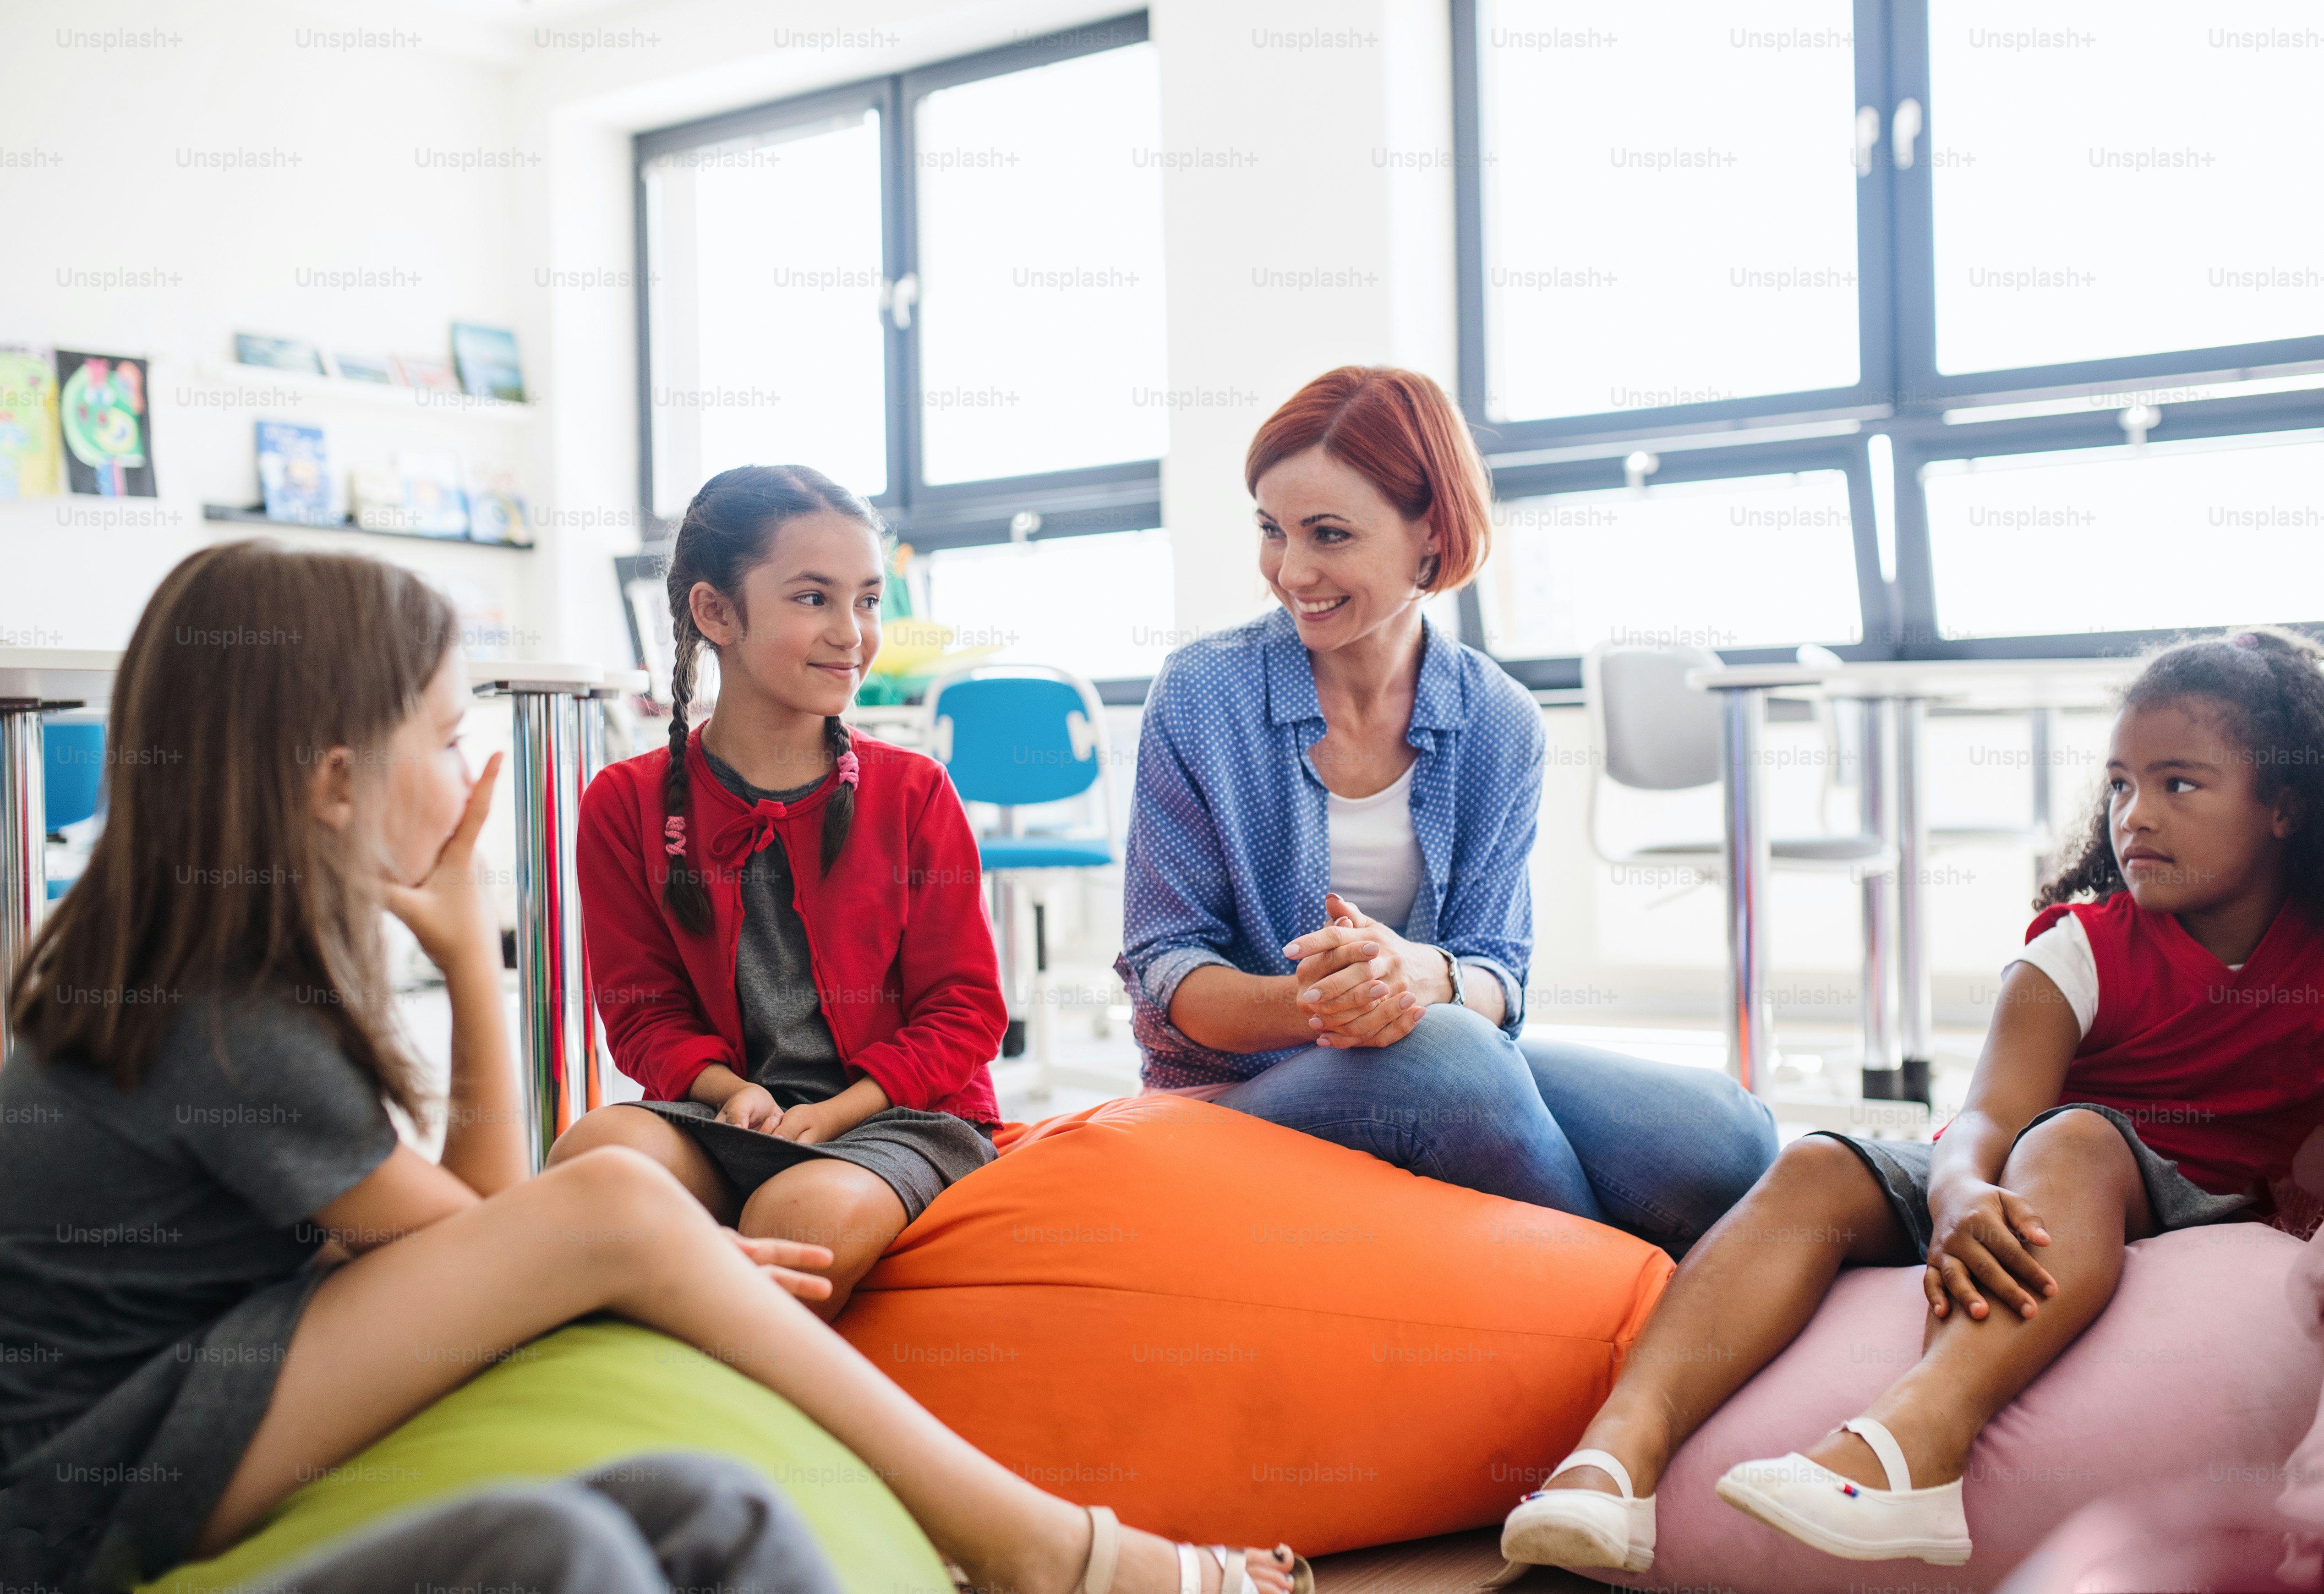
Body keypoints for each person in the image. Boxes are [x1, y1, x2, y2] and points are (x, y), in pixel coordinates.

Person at [0, 542, 1304, 1594]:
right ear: (338, 784)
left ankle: (1033, 1543)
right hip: (100, 1473)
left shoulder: (210, 989)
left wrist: (465, 956)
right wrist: (675, 1248)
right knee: (615, 1192)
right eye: (451, 737)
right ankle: (1047, 1547)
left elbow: (466, 1239)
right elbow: (510, 1236)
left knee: (674, 1427)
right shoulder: (226, 1024)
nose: (471, 775)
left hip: (179, 1411)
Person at [1500, 628, 2324, 1573]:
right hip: (2024, 1176)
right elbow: (1982, 1117)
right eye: (2117, 785)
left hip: (2164, 1182)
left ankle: (1913, 1443)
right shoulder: (2076, 949)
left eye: (2177, 784)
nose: (2133, 814)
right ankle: (1615, 1460)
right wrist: (1958, 1194)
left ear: (2283, 809)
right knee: (1816, 1161)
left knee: (2075, 1141)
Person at [1117, 366, 1776, 1256]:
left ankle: (1623, 1285)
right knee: (1452, 1062)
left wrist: (1425, 980)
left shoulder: (1498, 720)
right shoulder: (1201, 694)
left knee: (1726, 1133)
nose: (1290, 571)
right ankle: (1627, 1320)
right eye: (1270, 531)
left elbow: (1498, 976)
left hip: (1430, 1052)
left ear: (1431, 534)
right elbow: (1167, 970)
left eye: (1329, 534)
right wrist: (1326, 1003)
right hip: (1232, 1093)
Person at [552, 465, 1001, 1320]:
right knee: (594, 1156)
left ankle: (721, 1426)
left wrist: (839, 1114)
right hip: (728, 1115)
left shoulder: (914, 792)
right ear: (714, 612)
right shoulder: (623, 803)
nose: (852, 634)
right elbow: (643, 1013)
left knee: (796, 1220)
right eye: (811, 599)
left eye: (867, 601)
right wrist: (729, 1092)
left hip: (894, 1118)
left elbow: (966, 1011)